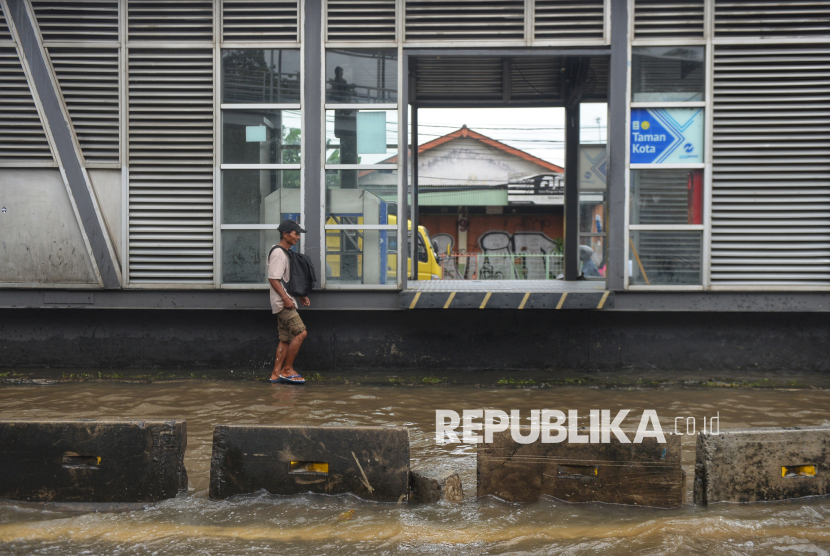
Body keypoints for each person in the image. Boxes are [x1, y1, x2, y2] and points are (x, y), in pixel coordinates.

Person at [268, 220, 311, 384]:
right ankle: (287, 370)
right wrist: (286, 298)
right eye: (296, 233)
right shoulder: (278, 253)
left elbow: (285, 280)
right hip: (283, 303)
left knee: (285, 338)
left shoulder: (284, 252)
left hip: (284, 301)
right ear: (285, 234)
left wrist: (298, 295)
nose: (298, 238)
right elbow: (273, 278)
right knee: (301, 333)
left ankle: (275, 374)